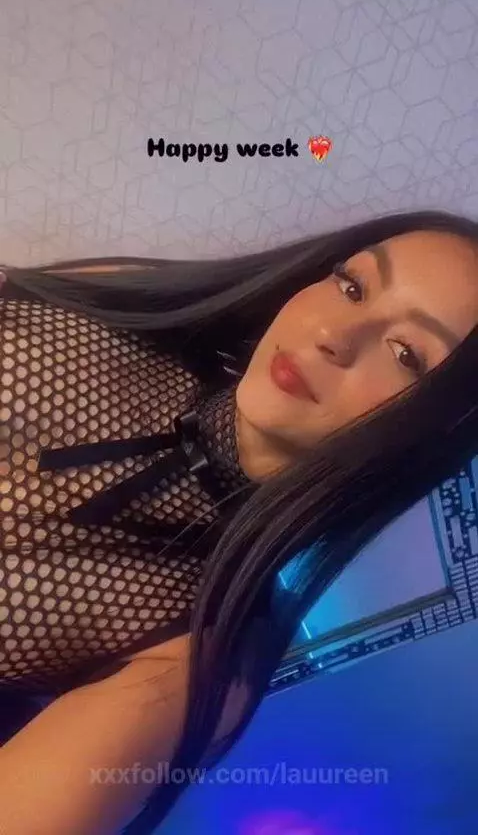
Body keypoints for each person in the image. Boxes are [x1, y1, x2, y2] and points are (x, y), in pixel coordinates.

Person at [1, 209, 478, 834]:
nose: (332, 334)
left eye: (405, 353)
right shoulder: (129, 306)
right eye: (352, 285)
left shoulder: (197, 655)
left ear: (427, 436)